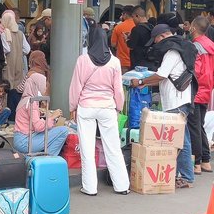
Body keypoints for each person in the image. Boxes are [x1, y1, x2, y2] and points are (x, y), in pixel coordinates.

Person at [130, 24, 197, 189]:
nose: (155, 45)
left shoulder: (172, 52)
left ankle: (186, 177)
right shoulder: (178, 48)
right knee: (182, 138)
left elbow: (161, 75)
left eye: (156, 40)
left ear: (162, 36)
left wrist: (141, 81)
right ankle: (182, 175)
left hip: (176, 101)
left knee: (178, 141)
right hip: (179, 99)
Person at [69, 26, 130, 196]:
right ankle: (122, 185)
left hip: (86, 107)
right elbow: (118, 89)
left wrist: (72, 106)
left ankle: (89, 187)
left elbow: (76, 86)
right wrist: (118, 106)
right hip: (107, 107)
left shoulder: (83, 60)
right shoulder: (115, 62)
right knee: (113, 147)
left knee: (87, 148)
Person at [13, 73, 68, 156]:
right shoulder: (32, 101)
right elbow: (38, 127)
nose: (45, 89)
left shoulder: (24, 100)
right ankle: (48, 159)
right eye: (43, 86)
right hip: (25, 142)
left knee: (51, 131)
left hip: (20, 139)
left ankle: (44, 158)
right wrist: (52, 117)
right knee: (63, 131)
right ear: (37, 85)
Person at [187, 16, 214, 174]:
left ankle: (196, 162)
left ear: (194, 28)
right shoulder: (211, 45)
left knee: (194, 127)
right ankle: (205, 160)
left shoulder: (195, 46)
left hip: (196, 90)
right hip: (207, 90)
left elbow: (195, 70)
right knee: (200, 125)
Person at [2, 10, 30, 88]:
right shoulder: (20, 33)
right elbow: (27, 50)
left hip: (8, 63)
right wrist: (19, 52)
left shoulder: (4, 33)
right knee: (17, 86)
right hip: (19, 63)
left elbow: (6, 49)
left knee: (7, 86)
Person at [127, 5, 154, 70]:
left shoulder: (136, 29)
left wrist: (127, 39)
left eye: (133, 17)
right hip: (150, 60)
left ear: (137, 16)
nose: (133, 20)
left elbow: (131, 46)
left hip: (138, 62)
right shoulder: (152, 27)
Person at [111, 5, 135, 74]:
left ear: (125, 14)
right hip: (136, 61)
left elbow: (113, 44)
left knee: (123, 82)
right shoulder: (137, 25)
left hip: (122, 61)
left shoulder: (118, 27)